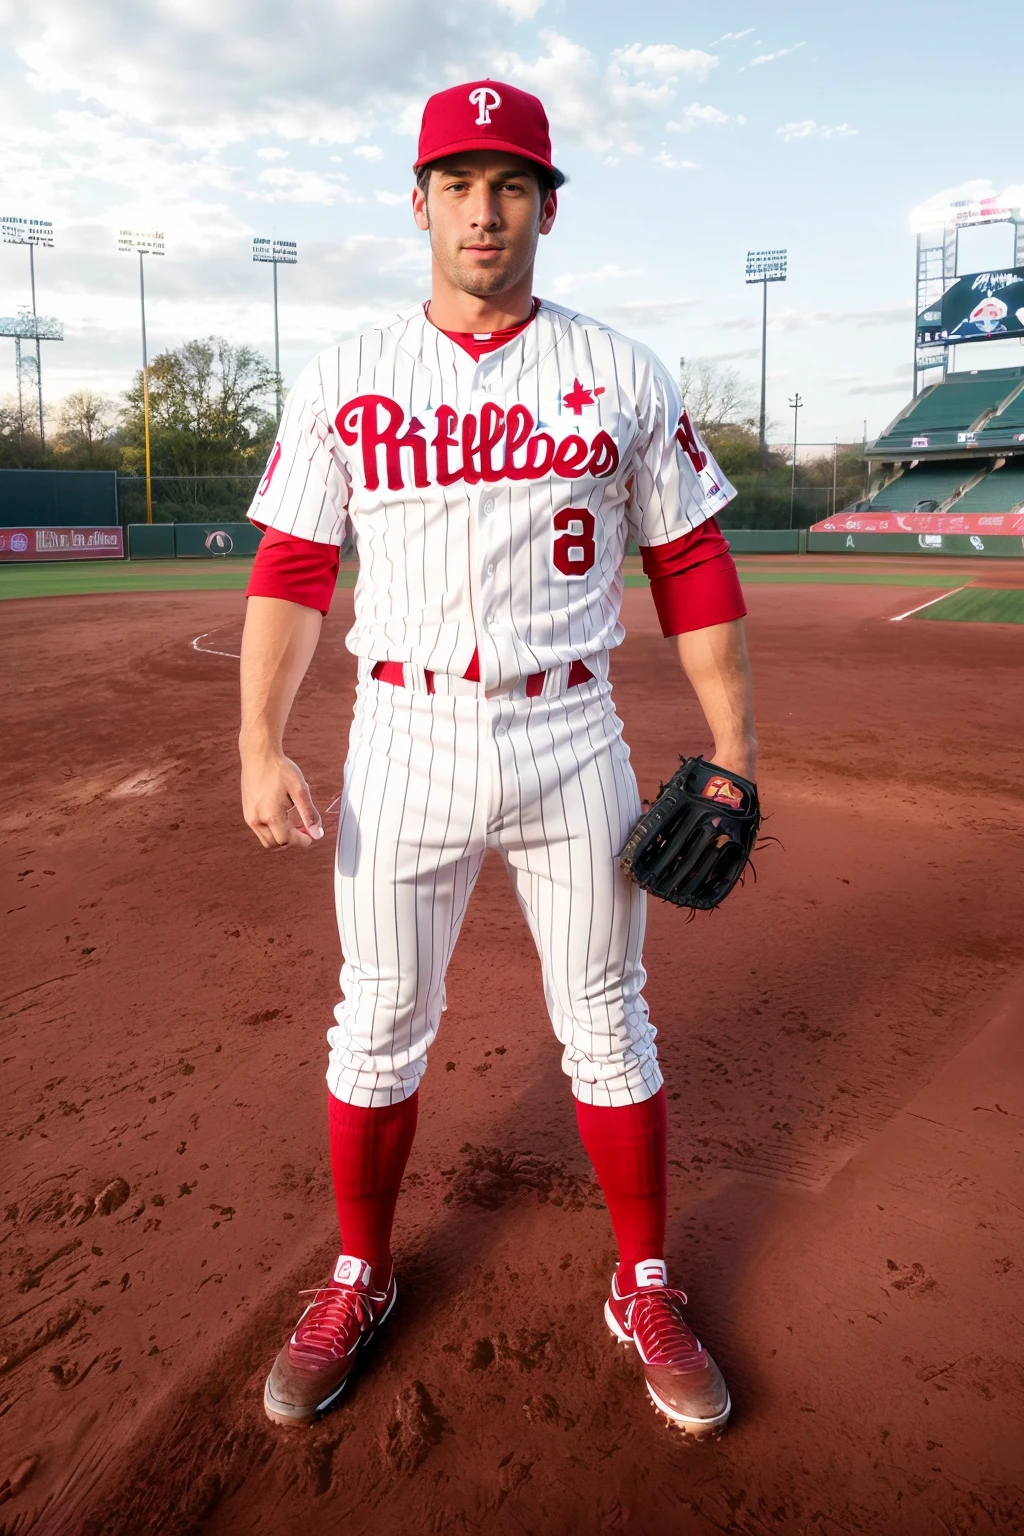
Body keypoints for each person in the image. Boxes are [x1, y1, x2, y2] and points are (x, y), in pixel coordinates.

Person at [238, 78, 757, 1438]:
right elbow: (293, 570)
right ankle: (359, 1271)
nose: (485, 209)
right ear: (419, 206)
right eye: (460, 185)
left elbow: (692, 562)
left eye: (512, 185)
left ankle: (642, 1278)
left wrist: (734, 747)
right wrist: (256, 738)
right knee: (378, 1022)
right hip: (401, 734)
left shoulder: (623, 371)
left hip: (571, 727)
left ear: (548, 208)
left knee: (609, 1014)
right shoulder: (349, 373)